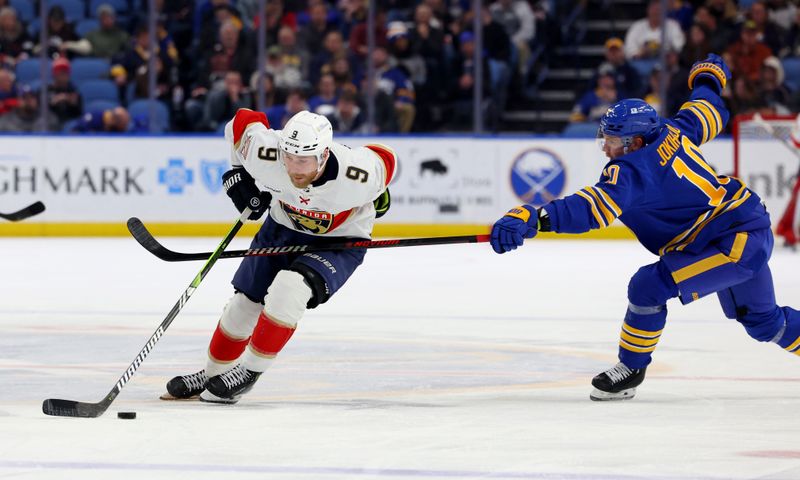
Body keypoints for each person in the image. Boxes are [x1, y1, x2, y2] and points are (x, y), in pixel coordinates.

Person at [489, 54, 800, 401]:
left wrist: (535, 217)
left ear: (635, 142)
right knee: (765, 323)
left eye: (612, 140)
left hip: (733, 243)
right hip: (741, 227)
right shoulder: (673, 129)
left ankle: (631, 368)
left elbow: (590, 209)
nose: (606, 146)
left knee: (648, 286)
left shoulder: (632, 170)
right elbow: (707, 107)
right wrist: (709, 77)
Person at [164, 109, 395, 404]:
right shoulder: (266, 151)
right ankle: (212, 374)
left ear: (323, 155)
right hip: (282, 229)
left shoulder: (358, 175)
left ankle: (248, 372)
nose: (295, 168)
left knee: (290, 288)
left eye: (304, 160)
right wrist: (238, 172)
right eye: (290, 157)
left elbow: (386, 158)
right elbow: (241, 120)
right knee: (243, 305)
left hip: (339, 242)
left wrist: (381, 191)